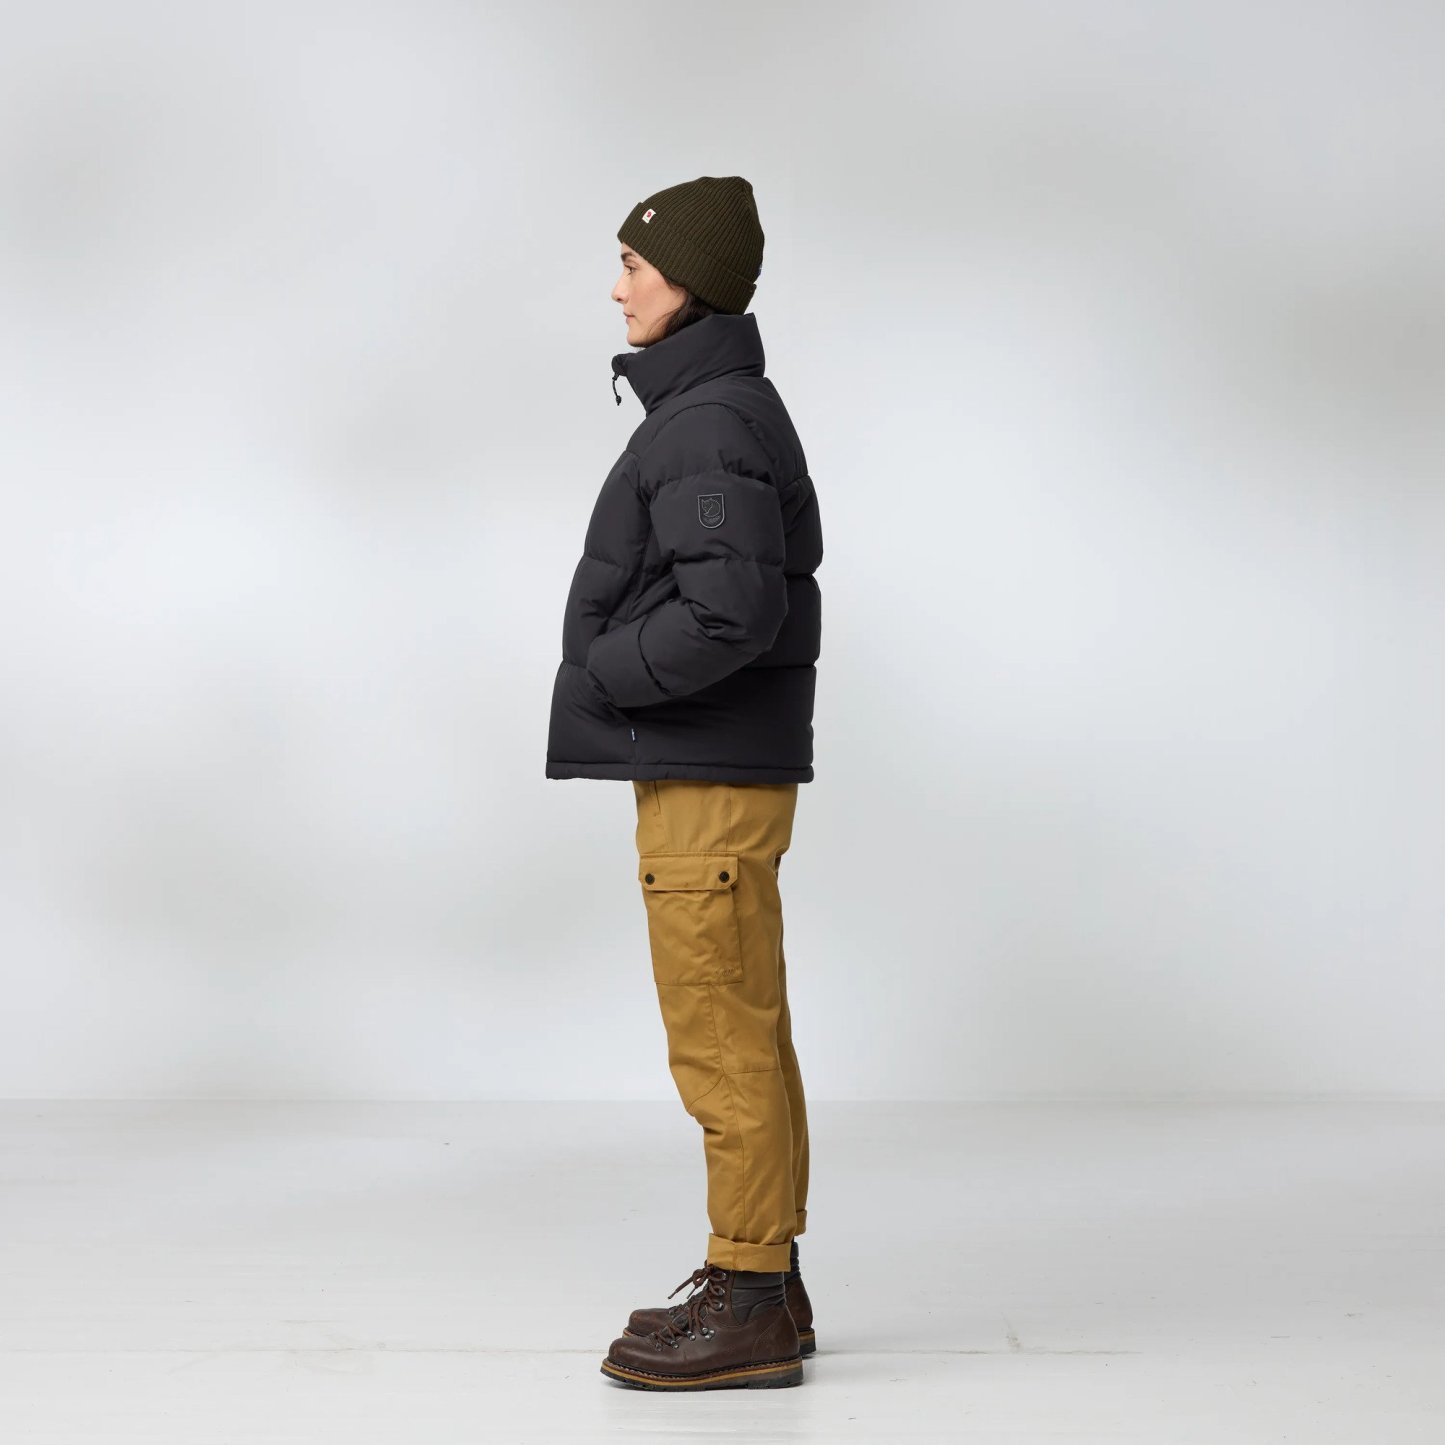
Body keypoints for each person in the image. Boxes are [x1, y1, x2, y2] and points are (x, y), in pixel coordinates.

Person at [544, 175, 824, 1391]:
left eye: (633, 265)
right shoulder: (710, 408)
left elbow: (730, 611)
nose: (616, 288)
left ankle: (747, 1295)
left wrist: (601, 669)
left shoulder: (706, 422)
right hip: (715, 762)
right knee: (742, 1019)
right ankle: (768, 1280)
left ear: (689, 282)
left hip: (707, 767)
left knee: (718, 1029)